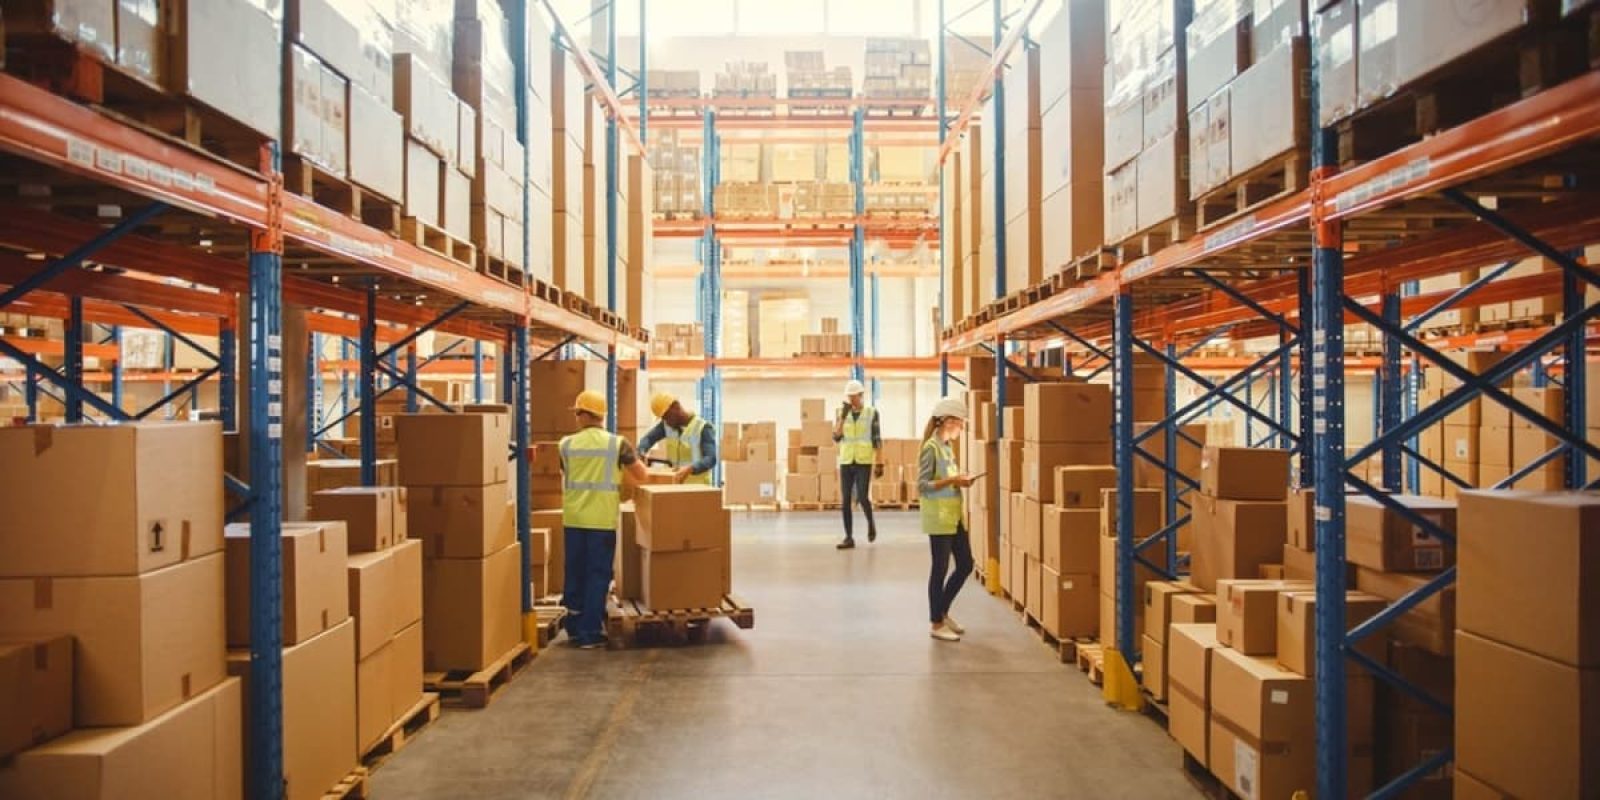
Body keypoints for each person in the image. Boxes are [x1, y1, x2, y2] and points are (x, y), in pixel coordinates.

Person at [560, 390, 648, 649]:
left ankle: (574, 629)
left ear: (586, 414)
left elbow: (567, 472)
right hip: (600, 521)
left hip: (573, 519)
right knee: (597, 575)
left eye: (578, 412)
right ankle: (590, 634)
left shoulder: (565, 444)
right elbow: (641, 474)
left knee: (574, 572)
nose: (576, 417)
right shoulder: (618, 444)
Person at [919, 397, 976, 642]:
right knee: (939, 570)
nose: (961, 428)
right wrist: (954, 481)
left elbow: (948, 479)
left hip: (953, 517)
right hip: (939, 519)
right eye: (960, 423)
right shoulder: (930, 448)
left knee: (966, 564)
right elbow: (922, 485)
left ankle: (942, 611)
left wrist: (961, 479)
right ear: (948, 421)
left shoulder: (946, 447)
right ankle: (936, 622)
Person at [833, 379, 882, 550]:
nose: (852, 400)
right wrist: (841, 418)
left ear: (861, 396)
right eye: (849, 397)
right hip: (846, 460)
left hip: (863, 461)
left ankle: (870, 523)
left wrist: (880, 463)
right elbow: (836, 437)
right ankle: (849, 537)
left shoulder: (871, 413)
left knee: (862, 496)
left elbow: (877, 440)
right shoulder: (841, 412)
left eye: (854, 397)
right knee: (845, 499)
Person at [638, 392, 717, 484]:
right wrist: (641, 451)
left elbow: (711, 458)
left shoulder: (703, 427)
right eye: (663, 418)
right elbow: (648, 438)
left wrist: (691, 468)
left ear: (676, 406)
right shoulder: (667, 426)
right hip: (676, 485)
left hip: (698, 487)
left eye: (667, 416)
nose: (666, 421)